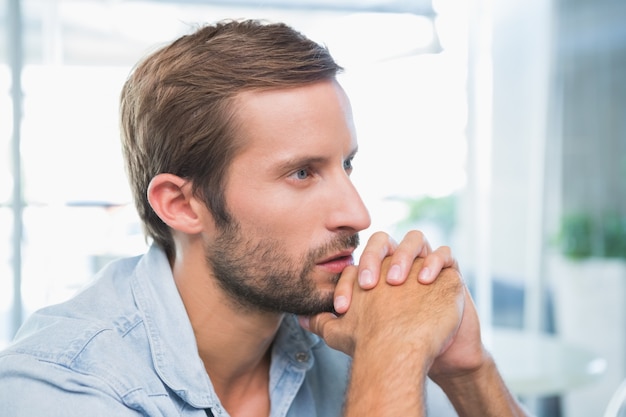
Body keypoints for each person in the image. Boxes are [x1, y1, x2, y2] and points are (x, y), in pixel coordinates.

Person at [0, 19, 529, 417]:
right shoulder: (59, 386)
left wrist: (467, 369)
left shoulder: (348, 329)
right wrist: (392, 349)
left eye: (346, 164)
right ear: (182, 205)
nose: (358, 213)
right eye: (301, 173)